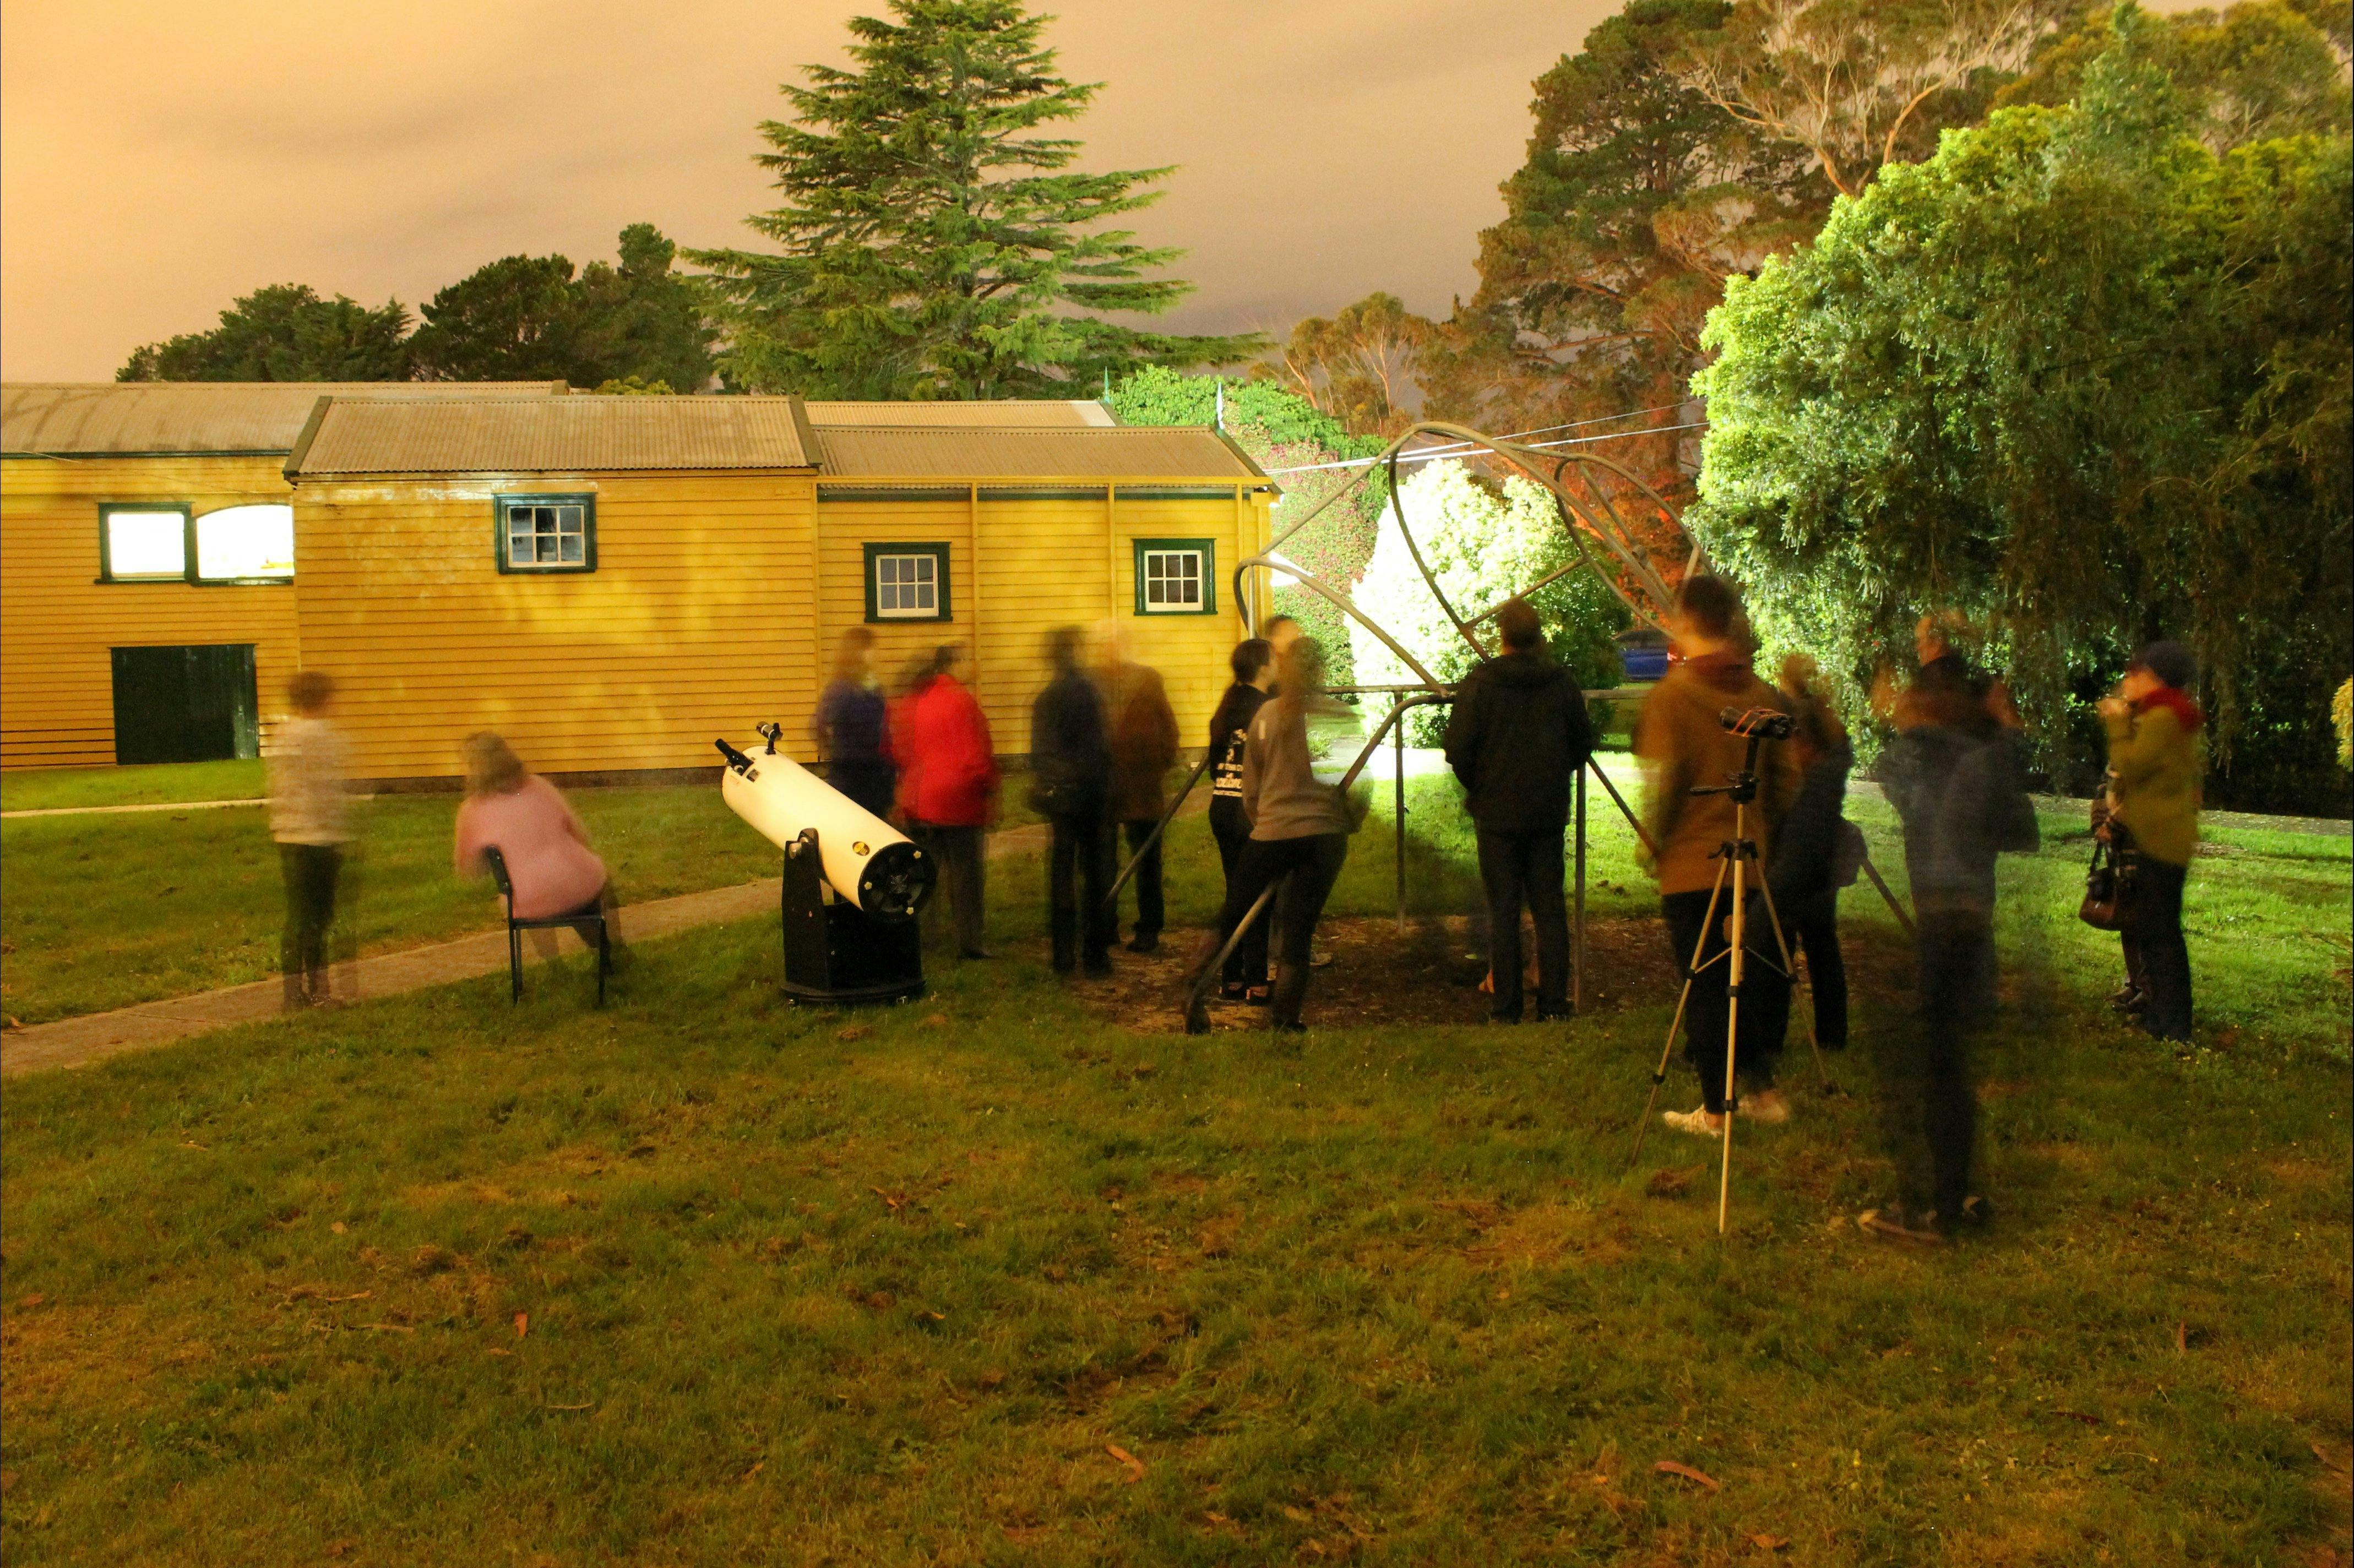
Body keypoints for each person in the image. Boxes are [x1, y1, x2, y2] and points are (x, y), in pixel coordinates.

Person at [1868, 630, 2040, 1244]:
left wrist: (1901, 718)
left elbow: (1889, 774)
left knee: (1935, 1065)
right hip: (1968, 909)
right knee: (1950, 1061)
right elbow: (2018, 821)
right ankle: (1962, 1190)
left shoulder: (1929, 754)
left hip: (1944, 912)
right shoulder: (1981, 748)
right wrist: (2006, 726)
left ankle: (1936, 1206)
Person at [1634, 576, 1800, 1136]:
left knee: (1705, 985)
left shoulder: (1675, 696)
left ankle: (1715, 1110)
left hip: (1691, 865)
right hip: (1747, 863)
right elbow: (1784, 782)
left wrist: (1654, 842)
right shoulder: (1758, 693)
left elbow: (1668, 782)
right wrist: (1765, 839)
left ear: (1684, 619)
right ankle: (1763, 1091)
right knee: (1741, 980)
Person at [1184, 634, 1361, 1033]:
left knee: (1234, 911)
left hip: (1272, 831)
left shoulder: (1267, 715)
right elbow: (1353, 782)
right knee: (1299, 927)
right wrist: (1349, 819)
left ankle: (1197, 977)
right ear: (1322, 669)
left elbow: (1251, 785)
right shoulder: (1336, 716)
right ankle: (1285, 1016)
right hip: (1323, 833)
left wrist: (1263, 820)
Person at [1443, 598, 1594, 1023]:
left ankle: (1506, 1007)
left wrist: (1483, 785)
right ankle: (1553, 1004)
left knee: (1503, 910)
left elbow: (1458, 749)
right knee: (1549, 908)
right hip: (1546, 809)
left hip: (1496, 812)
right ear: (1539, 636)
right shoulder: (1561, 683)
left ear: (1503, 637)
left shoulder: (1480, 684)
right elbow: (1582, 743)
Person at [2101, 640, 2203, 1043]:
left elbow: (2132, 766)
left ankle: (2173, 1026)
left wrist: (2115, 724)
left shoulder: (2162, 717)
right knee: (2157, 932)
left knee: (2161, 937)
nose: (2128, 681)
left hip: (2161, 839)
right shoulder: (2174, 713)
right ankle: (2162, 1019)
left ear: (2154, 677)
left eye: (2135, 673)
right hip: (2164, 834)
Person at [454, 732, 624, 961]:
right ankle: (612, 950)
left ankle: (553, 964)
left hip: (528, 903)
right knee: (599, 880)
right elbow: (582, 835)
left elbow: (469, 870)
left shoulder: (471, 810)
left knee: (529, 894)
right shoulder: (539, 787)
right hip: (578, 889)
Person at [1768, 652, 1855, 1052]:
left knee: (1779, 943)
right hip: (1826, 848)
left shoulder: (1787, 719)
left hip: (1792, 844)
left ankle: (1772, 1033)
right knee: (1823, 945)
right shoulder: (1832, 728)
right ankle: (1832, 1032)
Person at [897, 644, 998, 961]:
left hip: (926, 800)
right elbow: (975, 756)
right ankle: (970, 942)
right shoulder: (963, 702)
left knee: (927, 875)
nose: (975, 664)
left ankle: (923, 938)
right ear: (955, 664)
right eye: (970, 658)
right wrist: (989, 787)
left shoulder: (925, 700)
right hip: (960, 802)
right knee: (966, 878)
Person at [1031, 627, 1116, 976]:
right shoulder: (1087, 692)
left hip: (1061, 798)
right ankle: (1095, 955)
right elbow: (1098, 747)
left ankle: (1063, 956)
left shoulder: (1046, 698)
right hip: (1091, 796)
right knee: (1095, 876)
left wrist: (1054, 780)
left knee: (1062, 875)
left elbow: (1039, 752)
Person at [268, 669, 352, 1009]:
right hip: (319, 837)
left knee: (297, 916)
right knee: (319, 917)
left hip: (288, 835)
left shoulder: (283, 736)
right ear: (324, 699)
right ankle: (320, 991)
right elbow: (328, 792)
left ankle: (292, 992)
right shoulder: (324, 736)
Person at [1099, 625, 1180, 954]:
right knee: (1105, 860)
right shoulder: (1097, 683)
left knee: (1145, 860)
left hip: (1141, 787)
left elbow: (1168, 728)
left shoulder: (1147, 681)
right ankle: (1106, 925)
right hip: (1109, 787)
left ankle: (1147, 929)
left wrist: (1159, 763)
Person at [1206, 638, 1276, 1003]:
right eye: (1274, 659)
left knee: (1235, 892)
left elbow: (1213, 765)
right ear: (1263, 667)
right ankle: (1257, 981)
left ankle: (1230, 979)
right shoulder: (1269, 709)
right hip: (1252, 812)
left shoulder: (1227, 705)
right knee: (1259, 897)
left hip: (1222, 806)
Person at [812, 627, 895, 819]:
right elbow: (818, 725)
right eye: (870, 648)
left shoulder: (872, 687)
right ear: (857, 652)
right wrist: (840, 754)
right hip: (854, 779)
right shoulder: (841, 689)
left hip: (878, 777)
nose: (876, 653)